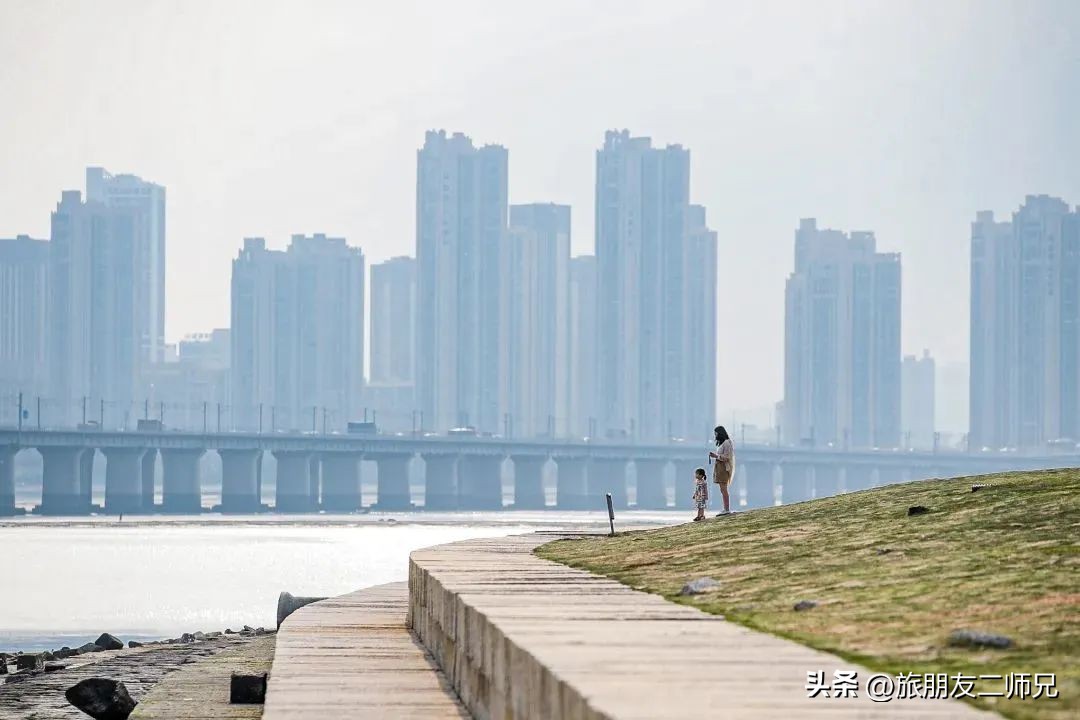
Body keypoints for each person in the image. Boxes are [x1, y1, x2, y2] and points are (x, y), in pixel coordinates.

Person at [709, 425, 735, 516]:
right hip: (720, 468)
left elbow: (727, 457)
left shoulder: (727, 443)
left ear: (720, 433)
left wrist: (715, 456)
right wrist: (715, 456)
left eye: (716, 433)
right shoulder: (723, 443)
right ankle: (725, 508)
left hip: (724, 468)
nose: (715, 435)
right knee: (722, 489)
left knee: (724, 489)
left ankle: (727, 509)